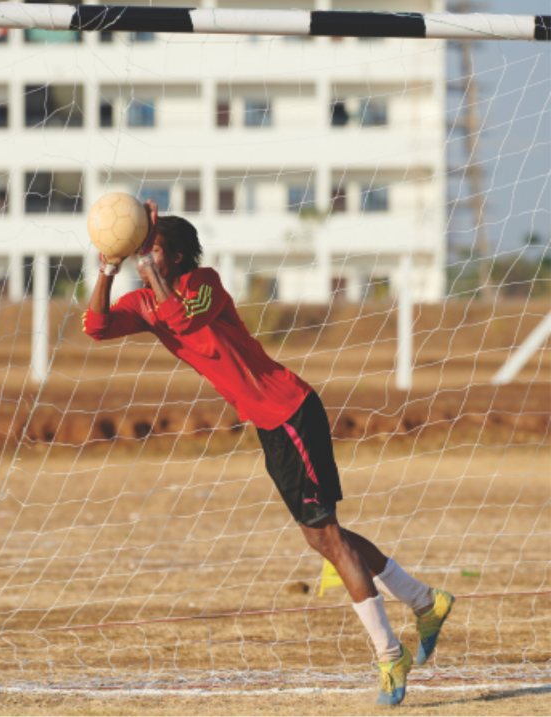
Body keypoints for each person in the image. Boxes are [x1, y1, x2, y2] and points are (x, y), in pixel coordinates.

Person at [82, 204, 455, 706]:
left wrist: (146, 269)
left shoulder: (204, 284)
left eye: (154, 249)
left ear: (176, 256)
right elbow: (96, 326)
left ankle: (390, 654)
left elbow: (182, 319)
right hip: (271, 423)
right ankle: (424, 601)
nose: (145, 256)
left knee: (325, 536)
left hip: (292, 410)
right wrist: (107, 270)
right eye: (142, 249)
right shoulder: (147, 299)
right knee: (324, 536)